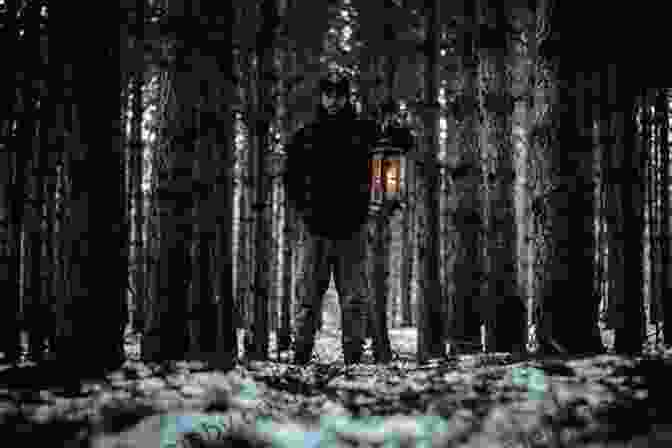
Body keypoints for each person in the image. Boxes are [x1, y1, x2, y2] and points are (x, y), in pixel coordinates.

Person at [283, 73, 379, 365]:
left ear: (347, 97)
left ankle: (353, 357)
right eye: (328, 94)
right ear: (321, 97)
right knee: (308, 295)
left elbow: (391, 157)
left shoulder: (365, 132)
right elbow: (291, 178)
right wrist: (305, 210)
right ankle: (300, 354)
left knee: (354, 298)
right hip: (316, 230)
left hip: (353, 229)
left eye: (338, 94)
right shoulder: (306, 135)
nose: (333, 100)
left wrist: (371, 205)